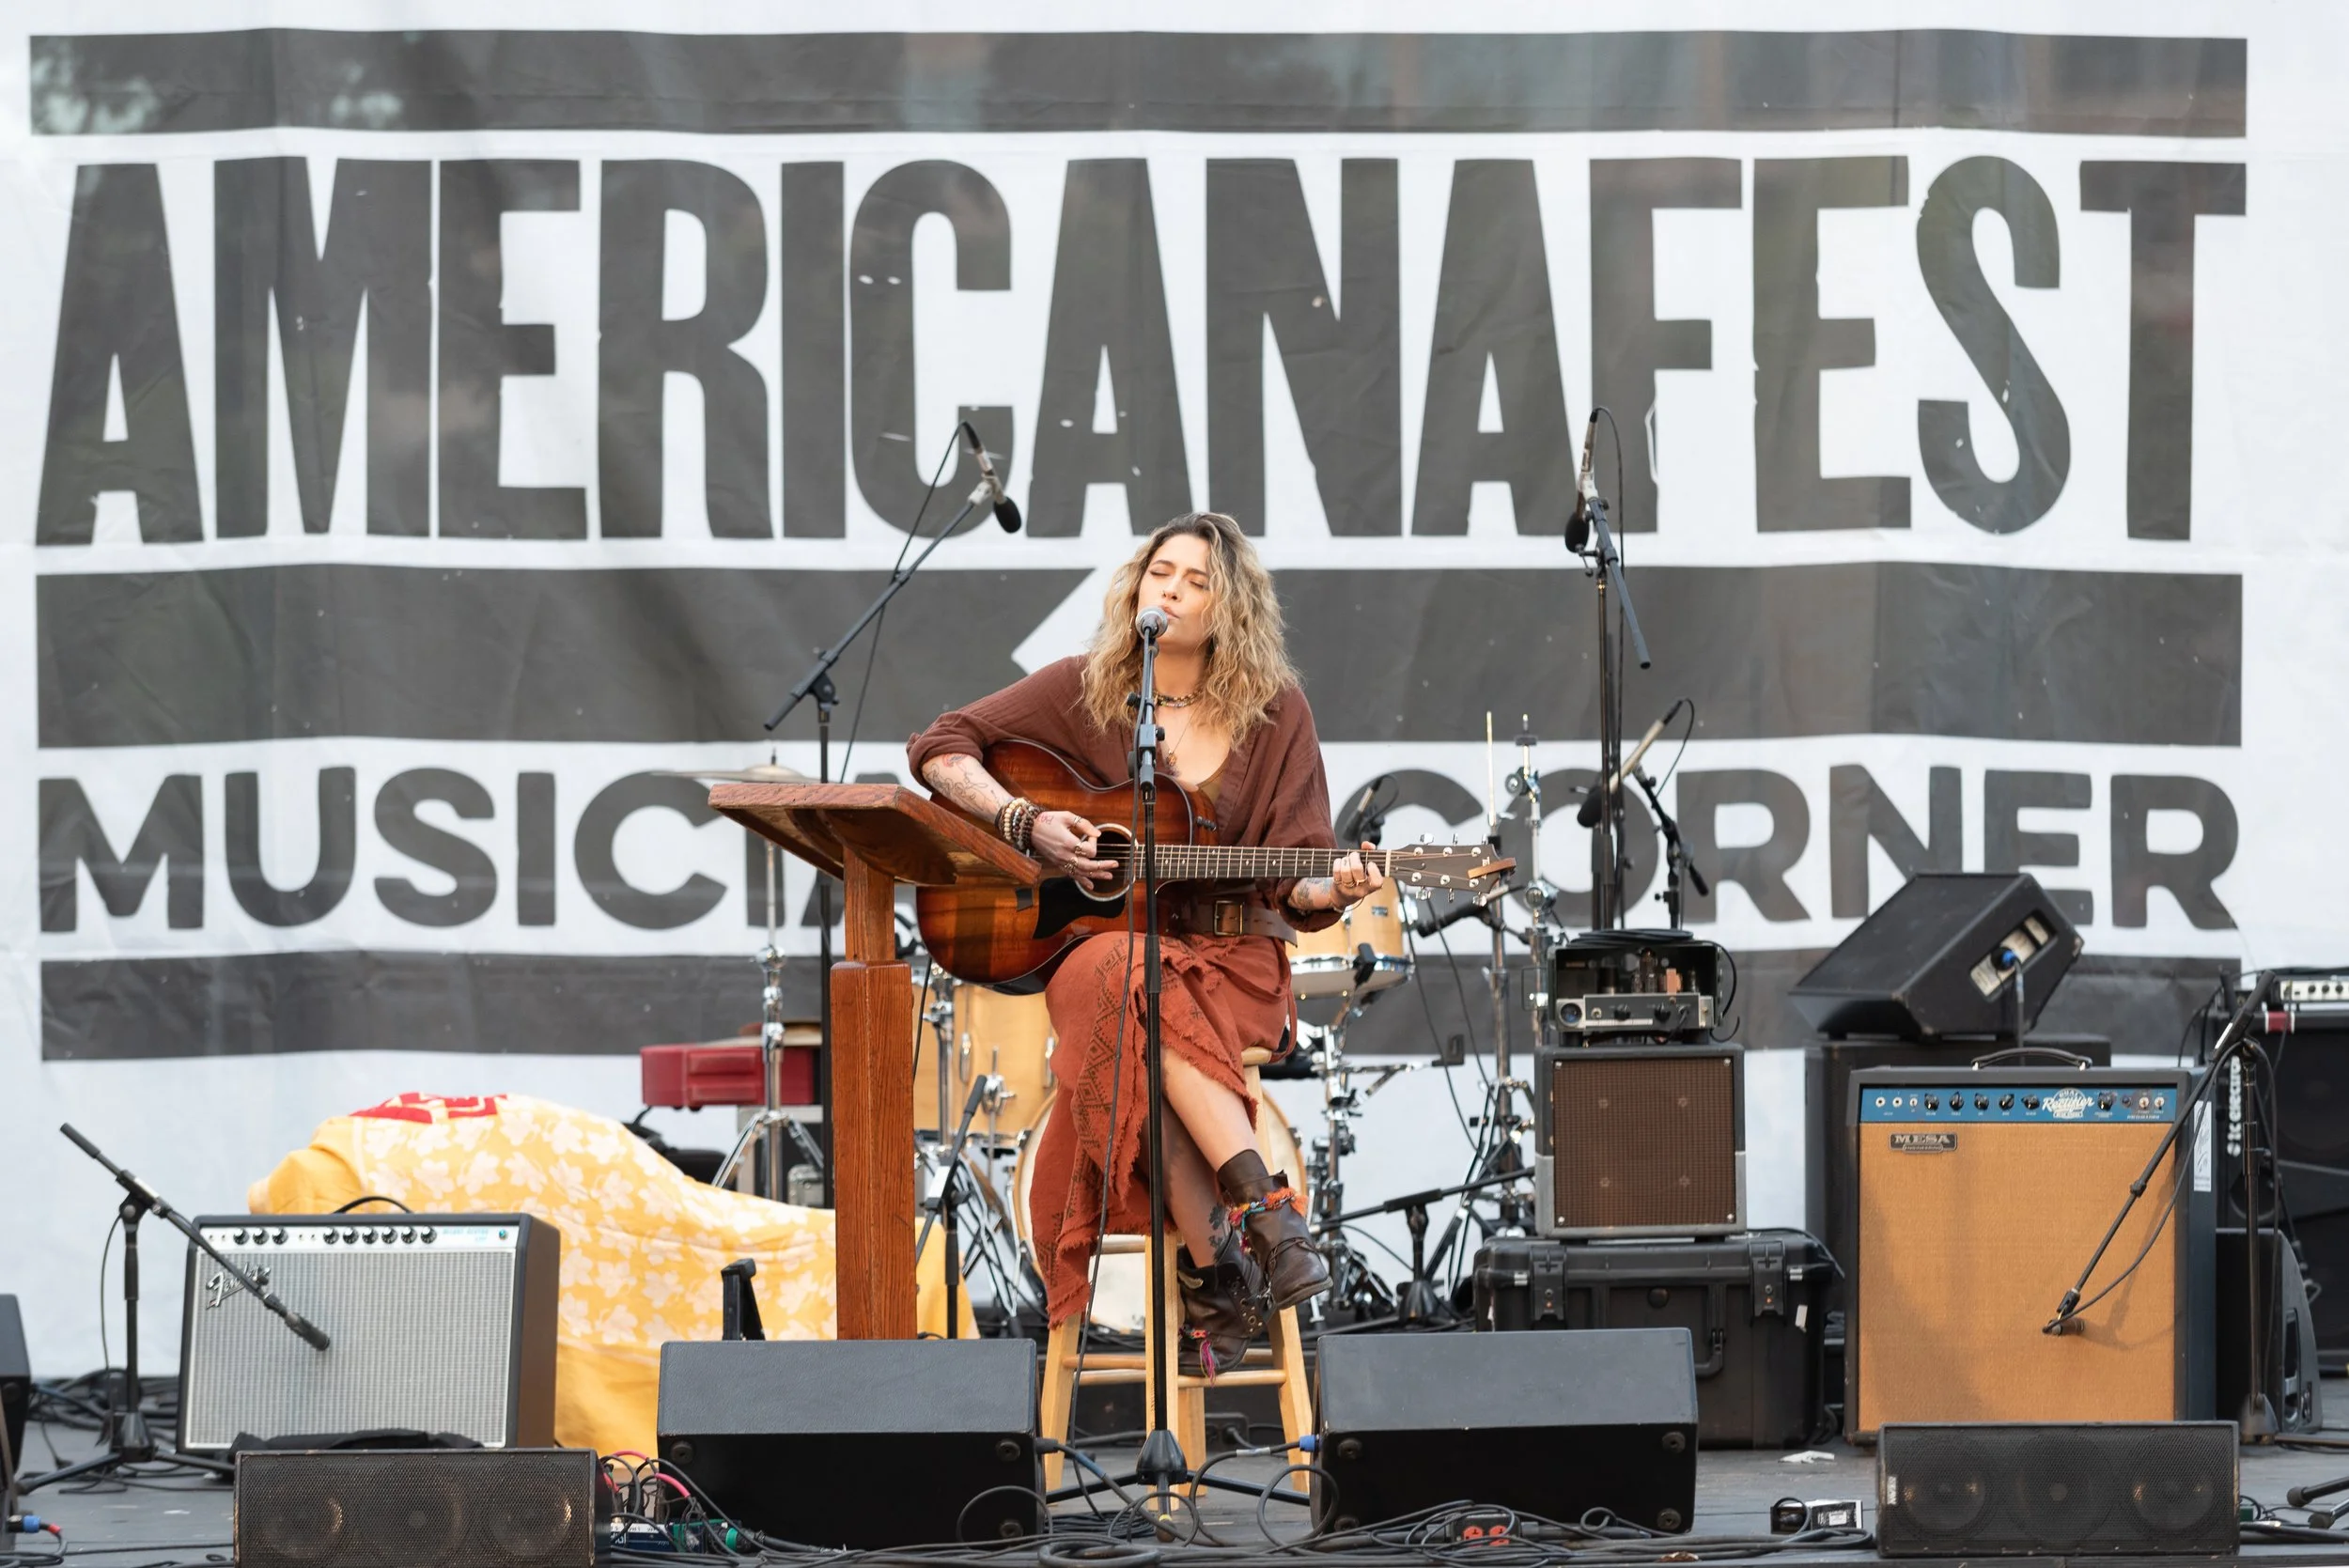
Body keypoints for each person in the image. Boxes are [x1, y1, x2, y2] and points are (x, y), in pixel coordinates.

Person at [908, 512, 1385, 1377]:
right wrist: (1026, 822)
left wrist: (1338, 886)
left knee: (1125, 1014)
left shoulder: (1276, 712)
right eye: (1160, 571)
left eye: (1196, 580)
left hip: (1230, 964)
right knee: (1119, 976)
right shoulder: (1086, 688)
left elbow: (1299, 883)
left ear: (1231, 606)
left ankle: (1223, 1264)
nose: (1170, 588)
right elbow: (939, 747)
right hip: (1108, 957)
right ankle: (1267, 1224)